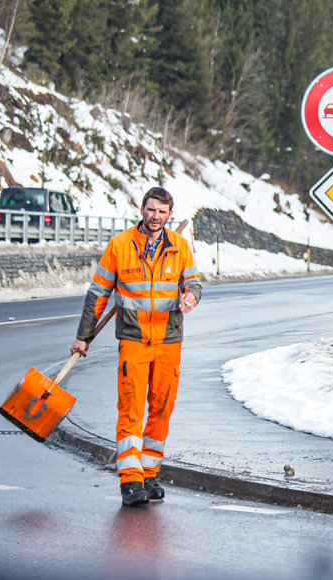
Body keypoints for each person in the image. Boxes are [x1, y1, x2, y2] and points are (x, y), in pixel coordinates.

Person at [71, 187, 201, 507]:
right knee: (130, 408)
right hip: (133, 339)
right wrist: (83, 336)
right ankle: (130, 479)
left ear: (170, 214)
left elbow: (194, 283)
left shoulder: (180, 247)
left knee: (161, 408)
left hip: (169, 340)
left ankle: (149, 472)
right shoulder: (120, 245)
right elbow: (98, 294)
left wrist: (190, 297)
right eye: (151, 209)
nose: (155, 216)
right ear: (141, 209)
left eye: (162, 211)